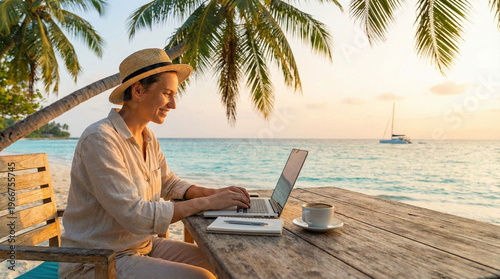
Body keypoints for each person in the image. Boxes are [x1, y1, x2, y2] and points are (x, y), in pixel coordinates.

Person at [59, 48, 251, 279]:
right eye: (167, 94)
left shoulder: (147, 137)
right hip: (96, 261)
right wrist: (208, 202)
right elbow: (136, 215)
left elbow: (168, 183)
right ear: (138, 90)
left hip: (141, 246)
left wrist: (215, 193)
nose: (173, 104)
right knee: (202, 278)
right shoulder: (100, 139)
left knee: (226, 263)